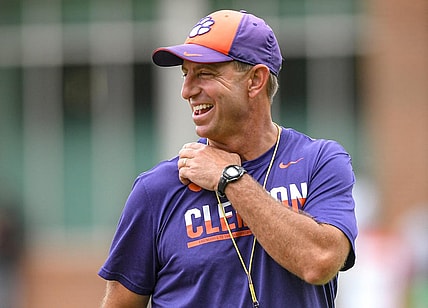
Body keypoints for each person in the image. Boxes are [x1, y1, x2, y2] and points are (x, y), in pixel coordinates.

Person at [98, 9, 358, 308]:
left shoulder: (320, 162)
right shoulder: (157, 189)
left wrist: (231, 178)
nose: (187, 91)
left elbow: (320, 262)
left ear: (255, 80)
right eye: (186, 74)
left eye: (204, 74)